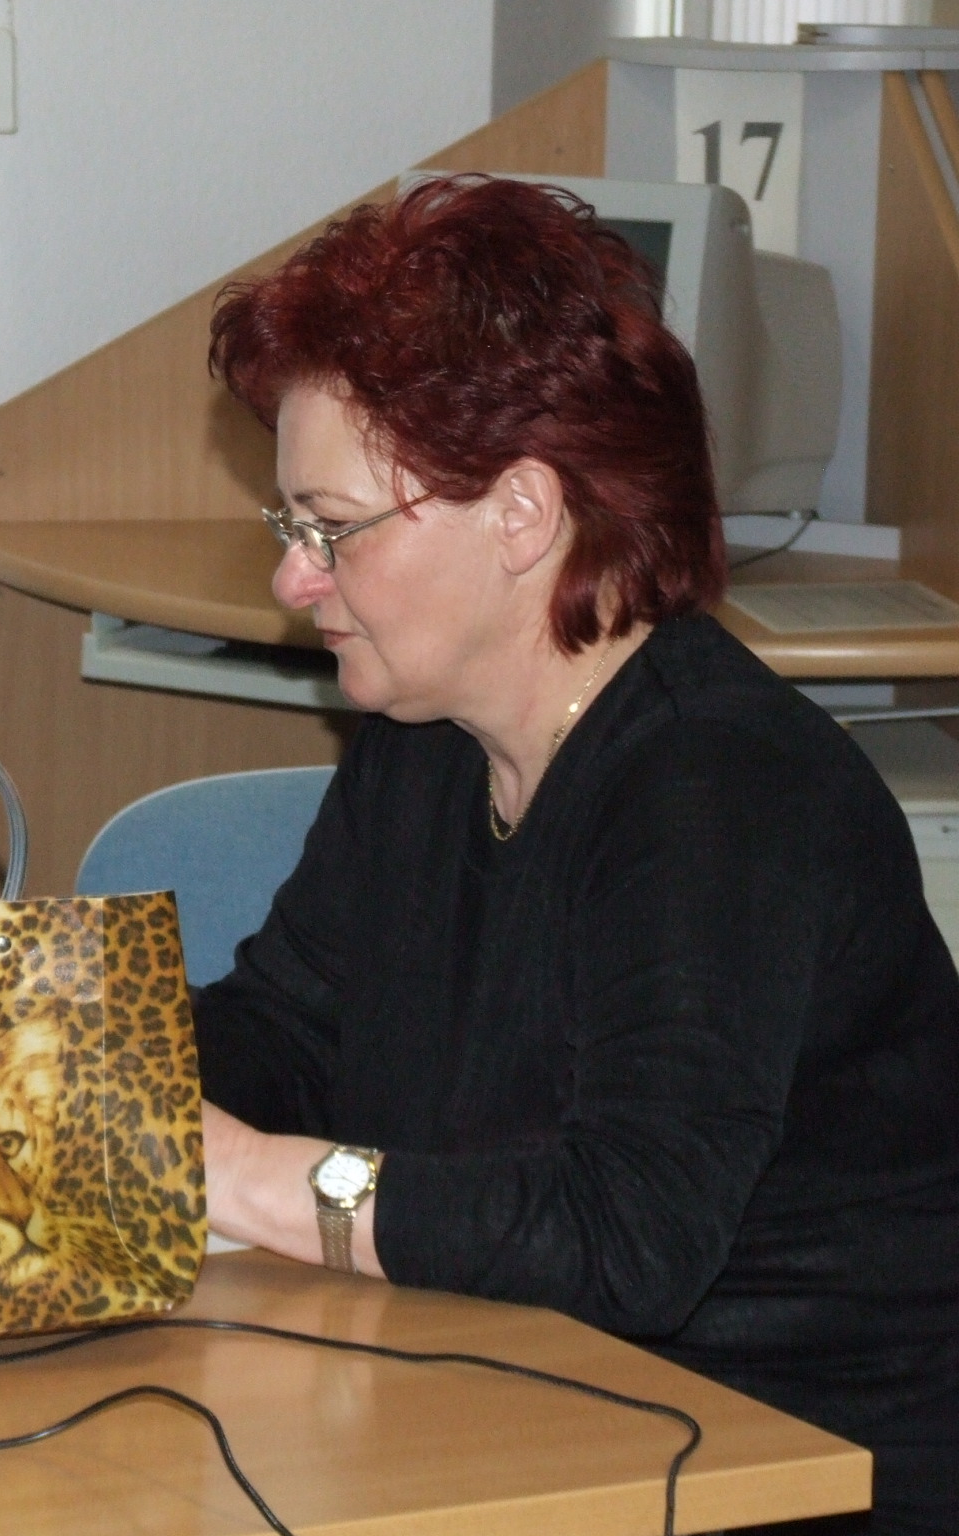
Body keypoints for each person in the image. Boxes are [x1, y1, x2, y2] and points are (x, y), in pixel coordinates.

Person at [195, 175, 959, 1533]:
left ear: (522, 516)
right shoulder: (427, 738)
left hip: (774, 1472)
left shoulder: (723, 791)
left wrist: (248, 1176)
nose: (293, 580)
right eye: (290, 529)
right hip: (530, 1406)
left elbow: (627, 1233)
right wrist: (55, 1074)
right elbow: (289, 1027)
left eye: (331, 529)